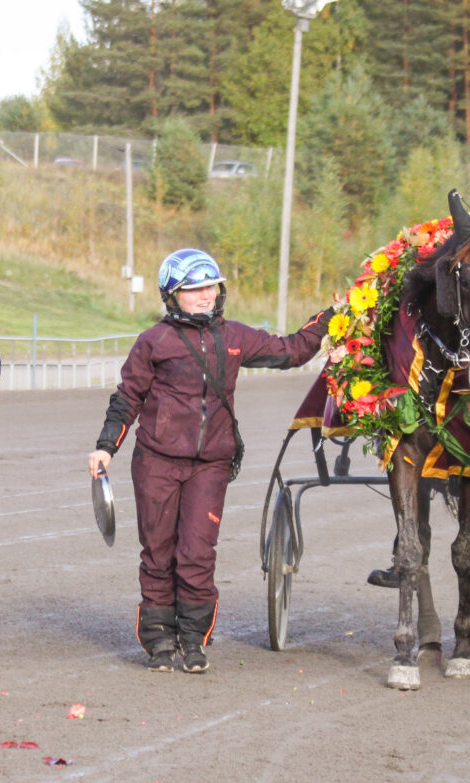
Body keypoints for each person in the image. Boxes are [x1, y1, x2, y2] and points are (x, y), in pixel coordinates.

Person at [88, 249, 330, 674]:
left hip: (211, 465)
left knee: (197, 552)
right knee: (158, 552)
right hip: (156, 462)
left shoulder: (235, 336)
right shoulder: (153, 342)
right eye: (193, 289)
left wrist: (328, 319)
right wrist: (106, 446)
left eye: (210, 287)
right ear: (172, 295)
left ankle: (193, 640)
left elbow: (292, 351)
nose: (204, 296)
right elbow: (127, 398)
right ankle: (159, 640)